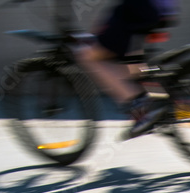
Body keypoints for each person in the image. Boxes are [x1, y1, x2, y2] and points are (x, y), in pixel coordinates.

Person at [74, 0, 180, 138]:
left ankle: (138, 105)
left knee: (87, 55)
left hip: (138, 8)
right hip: (163, 10)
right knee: (129, 62)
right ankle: (159, 100)